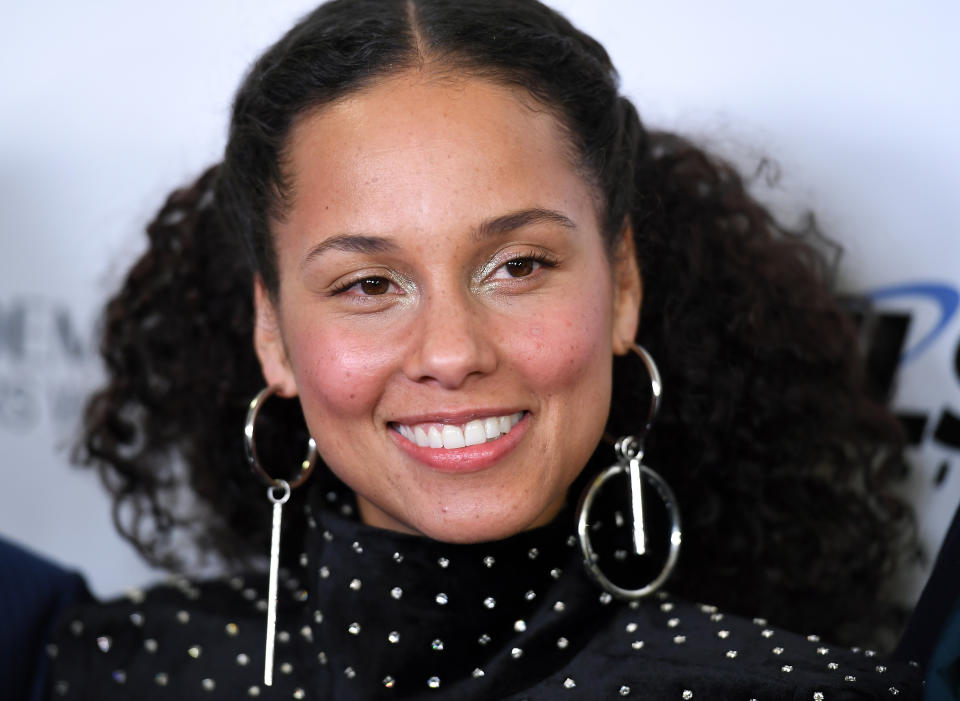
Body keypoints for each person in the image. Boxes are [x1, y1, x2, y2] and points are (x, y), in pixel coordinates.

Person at [40, 0, 923, 697]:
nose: (452, 352)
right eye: (369, 284)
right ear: (272, 331)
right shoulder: (106, 666)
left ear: (621, 287)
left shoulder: (798, 692)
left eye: (517, 265)